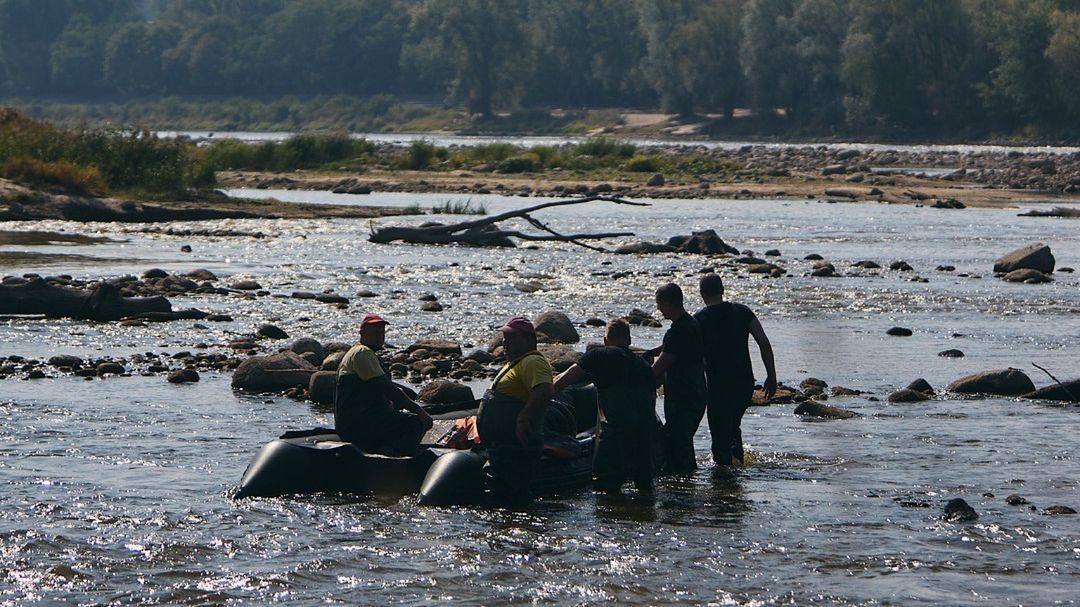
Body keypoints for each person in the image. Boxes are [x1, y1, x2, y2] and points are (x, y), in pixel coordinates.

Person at [553, 318, 659, 496]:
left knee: (605, 494)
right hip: (643, 436)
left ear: (605, 341)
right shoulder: (644, 366)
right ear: (629, 340)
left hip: (614, 435)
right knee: (645, 491)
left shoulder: (599, 355)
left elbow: (562, 381)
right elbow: (651, 401)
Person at [694, 273, 777, 466]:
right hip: (744, 382)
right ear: (722, 291)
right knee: (733, 425)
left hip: (717, 385)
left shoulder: (699, 320)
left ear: (702, 293)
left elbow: (688, 354)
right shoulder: (743, 312)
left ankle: (725, 480)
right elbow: (764, 342)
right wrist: (771, 376)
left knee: (719, 432)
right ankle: (736, 467)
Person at [476, 316, 553, 504]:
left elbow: (544, 391)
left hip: (515, 448)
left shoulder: (533, 362)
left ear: (528, 339)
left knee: (512, 500)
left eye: (511, 337)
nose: (505, 342)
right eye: (504, 337)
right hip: (501, 448)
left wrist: (523, 419)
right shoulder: (516, 363)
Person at [335, 313, 433, 455]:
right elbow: (386, 388)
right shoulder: (362, 352)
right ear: (362, 333)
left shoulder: (361, 353)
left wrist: (407, 396)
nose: (379, 336)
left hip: (359, 420)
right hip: (359, 424)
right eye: (374, 332)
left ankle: (388, 447)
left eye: (381, 332)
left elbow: (382, 386)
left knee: (401, 409)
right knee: (415, 422)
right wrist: (419, 411)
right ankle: (400, 457)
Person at [650, 283, 707, 474]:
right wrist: (655, 350)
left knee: (678, 449)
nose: (658, 308)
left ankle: (682, 495)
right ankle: (687, 487)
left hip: (683, 398)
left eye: (659, 304)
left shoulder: (677, 332)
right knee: (682, 445)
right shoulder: (691, 323)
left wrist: (635, 376)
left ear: (668, 303)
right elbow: (671, 349)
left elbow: (658, 369)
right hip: (697, 394)